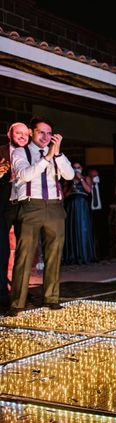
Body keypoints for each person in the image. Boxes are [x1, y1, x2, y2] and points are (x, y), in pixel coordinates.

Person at [7, 116, 74, 316]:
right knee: (25, 254)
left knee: (55, 253)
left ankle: (51, 298)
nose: (45, 137)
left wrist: (58, 153)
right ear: (31, 132)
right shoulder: (21, 151)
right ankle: (17, 303)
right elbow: (25, 175)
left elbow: (69, 175)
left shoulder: (56, 153)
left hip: (54, 206)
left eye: (48, 133)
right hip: (31, 206)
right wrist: (46, 158)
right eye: (41, 132)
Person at [0, 122, 29, 307]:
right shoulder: (1, 151)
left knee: (25, 248)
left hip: (26, 206)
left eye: (26, 134)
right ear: (9, 134)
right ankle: (2, 291)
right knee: (2, 249)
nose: (22, 136)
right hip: (4, 205)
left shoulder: (31, 153)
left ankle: (21, 292)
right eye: (18, 133)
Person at [62, 161, 96, 264]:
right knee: (72, 228)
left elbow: (89, 190)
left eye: (78, 167)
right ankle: (73, 255)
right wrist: (70, 188)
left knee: (82, 228)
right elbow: (64, 196)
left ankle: (84, 255)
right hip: (72, 206)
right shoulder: (68, 180)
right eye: (74, 167)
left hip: (82, 206)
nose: (76, 169)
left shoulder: (86, 178)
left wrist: (80, 178)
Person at [87, 167, 110, 260]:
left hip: (101, 212)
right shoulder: (87, 187)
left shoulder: (103, 186)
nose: (95, 177)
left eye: (96, 175)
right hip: (91, 213)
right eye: (93, 176)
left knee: (103, 233)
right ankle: (92, 254)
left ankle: (104, 254)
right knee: (92, 234)